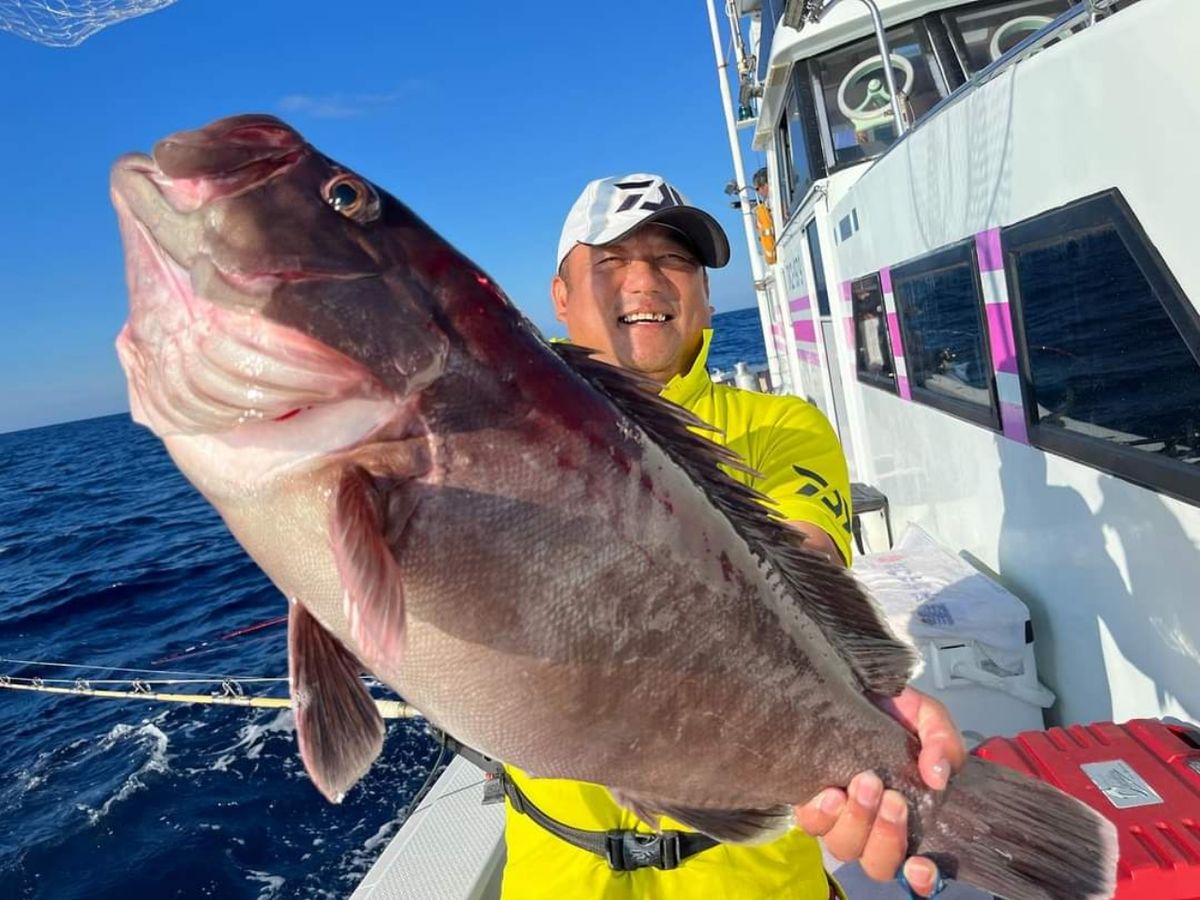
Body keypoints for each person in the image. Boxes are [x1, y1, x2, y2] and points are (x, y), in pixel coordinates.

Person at [499, 174, 965, 900]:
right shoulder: (497, 439)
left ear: (707, 295)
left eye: (675, 260)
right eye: (614, 260)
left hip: (756, 879)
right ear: (560, 295)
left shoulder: (780, 427)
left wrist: (869, 715)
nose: (647, 280)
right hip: (558, 878)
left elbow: (798, 557)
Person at [752, 167, 777, 265]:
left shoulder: (772, 202)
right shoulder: (770, 202)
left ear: (765, 185)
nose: (758, 192)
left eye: (757, 189)